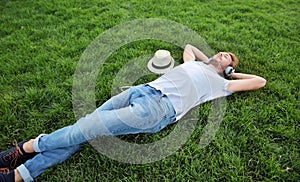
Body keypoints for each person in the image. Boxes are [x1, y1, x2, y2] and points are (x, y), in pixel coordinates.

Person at [0, 44, 266, 182]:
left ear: (229, 68)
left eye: (228, 56)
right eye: (223, 52)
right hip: (141, 90)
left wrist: (230, 71)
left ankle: (26, 148)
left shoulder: (222, 84)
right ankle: (20, 176)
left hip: (156, 109)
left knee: (84, 128)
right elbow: (188, 46)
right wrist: (211, 60)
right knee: (85, 128)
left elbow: (260, 81)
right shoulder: (194, 63)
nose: (224, 54)